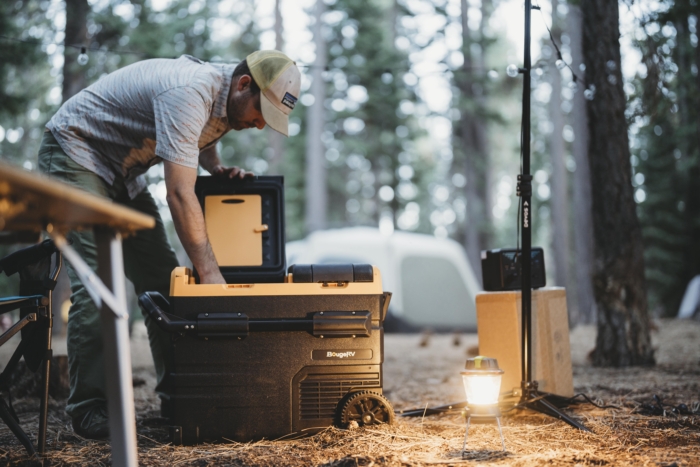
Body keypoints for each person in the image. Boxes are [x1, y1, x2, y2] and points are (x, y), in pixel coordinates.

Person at [38, 50, 301, 439]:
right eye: (261, 113)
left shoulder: (226, 97)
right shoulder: (188, 90)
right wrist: (211, 276)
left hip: (120, 170)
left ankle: (179, 395)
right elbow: (179, 193)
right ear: (244, 84)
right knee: (100, 286)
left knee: (163, 284)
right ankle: (89, 408)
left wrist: (213, 165)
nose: (261, 125)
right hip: (75, 152)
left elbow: (202, 131)